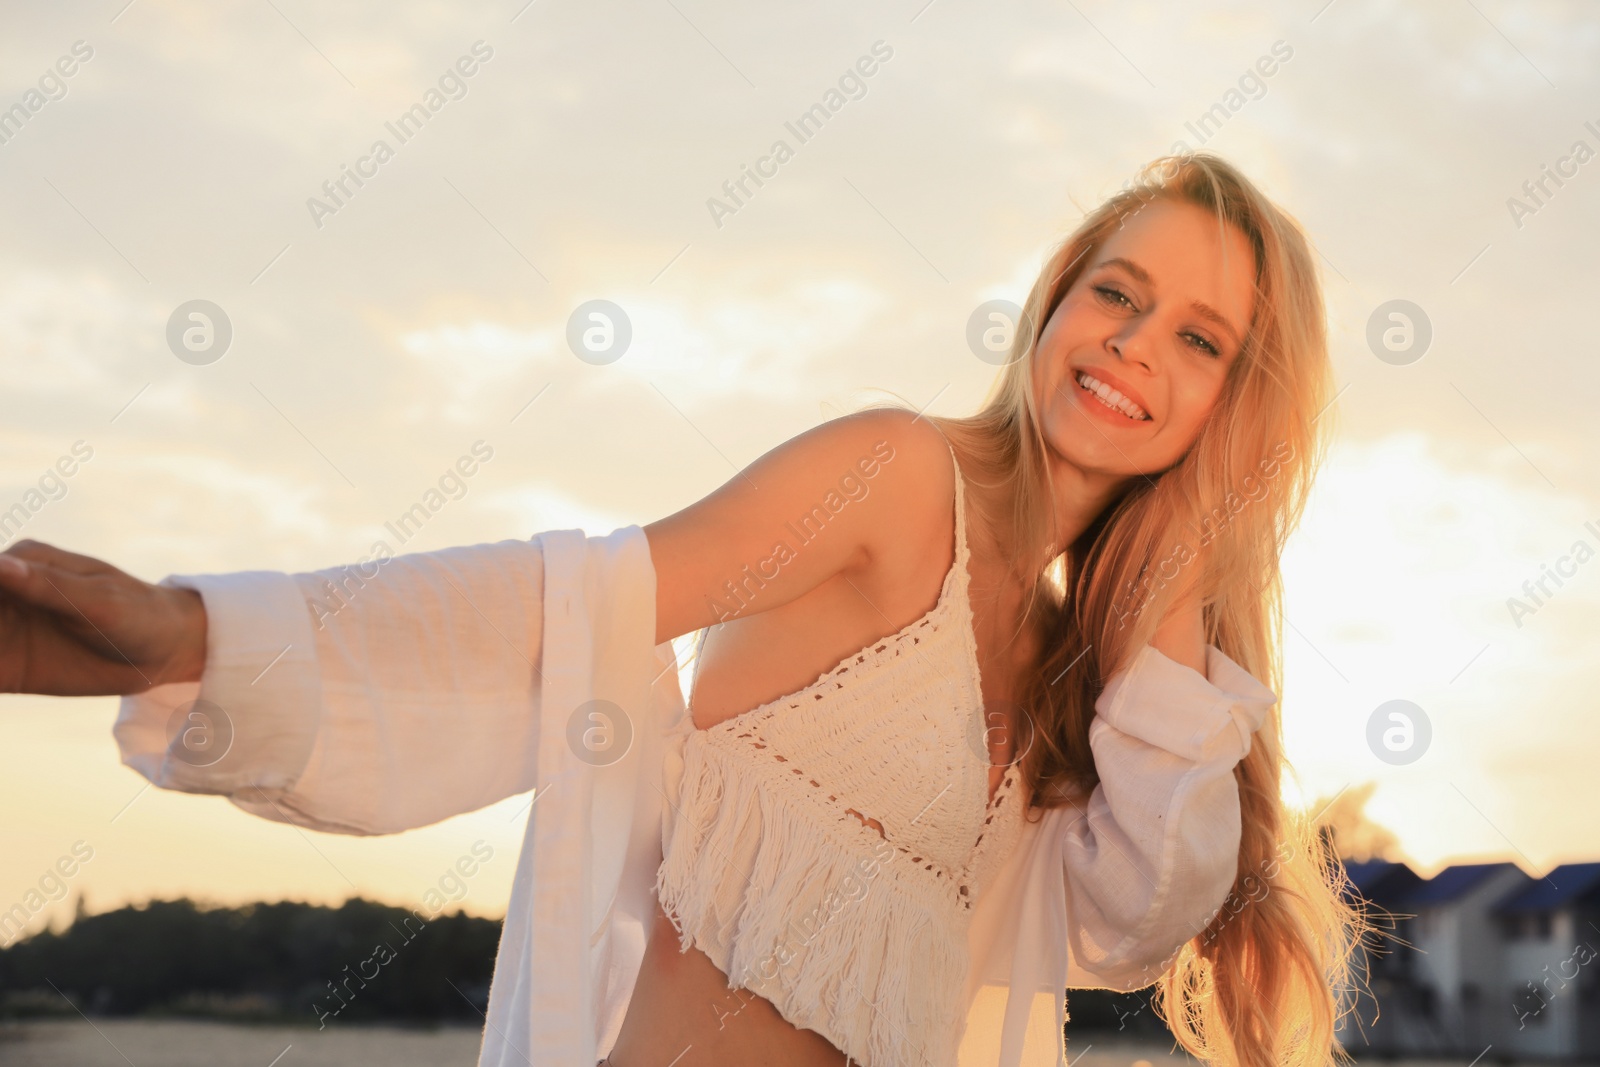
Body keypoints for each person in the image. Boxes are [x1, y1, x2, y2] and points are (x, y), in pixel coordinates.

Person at [0, 152, 1365, 1067]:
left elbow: (1140, 912)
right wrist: (197, 635)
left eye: (1202, 339)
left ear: (1244, 407)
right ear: (1053, 305)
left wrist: (1180, 577)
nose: (1133, 340)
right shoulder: (897, 479)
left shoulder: (1093, 679)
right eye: (1114, 291)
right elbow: (568, 604)